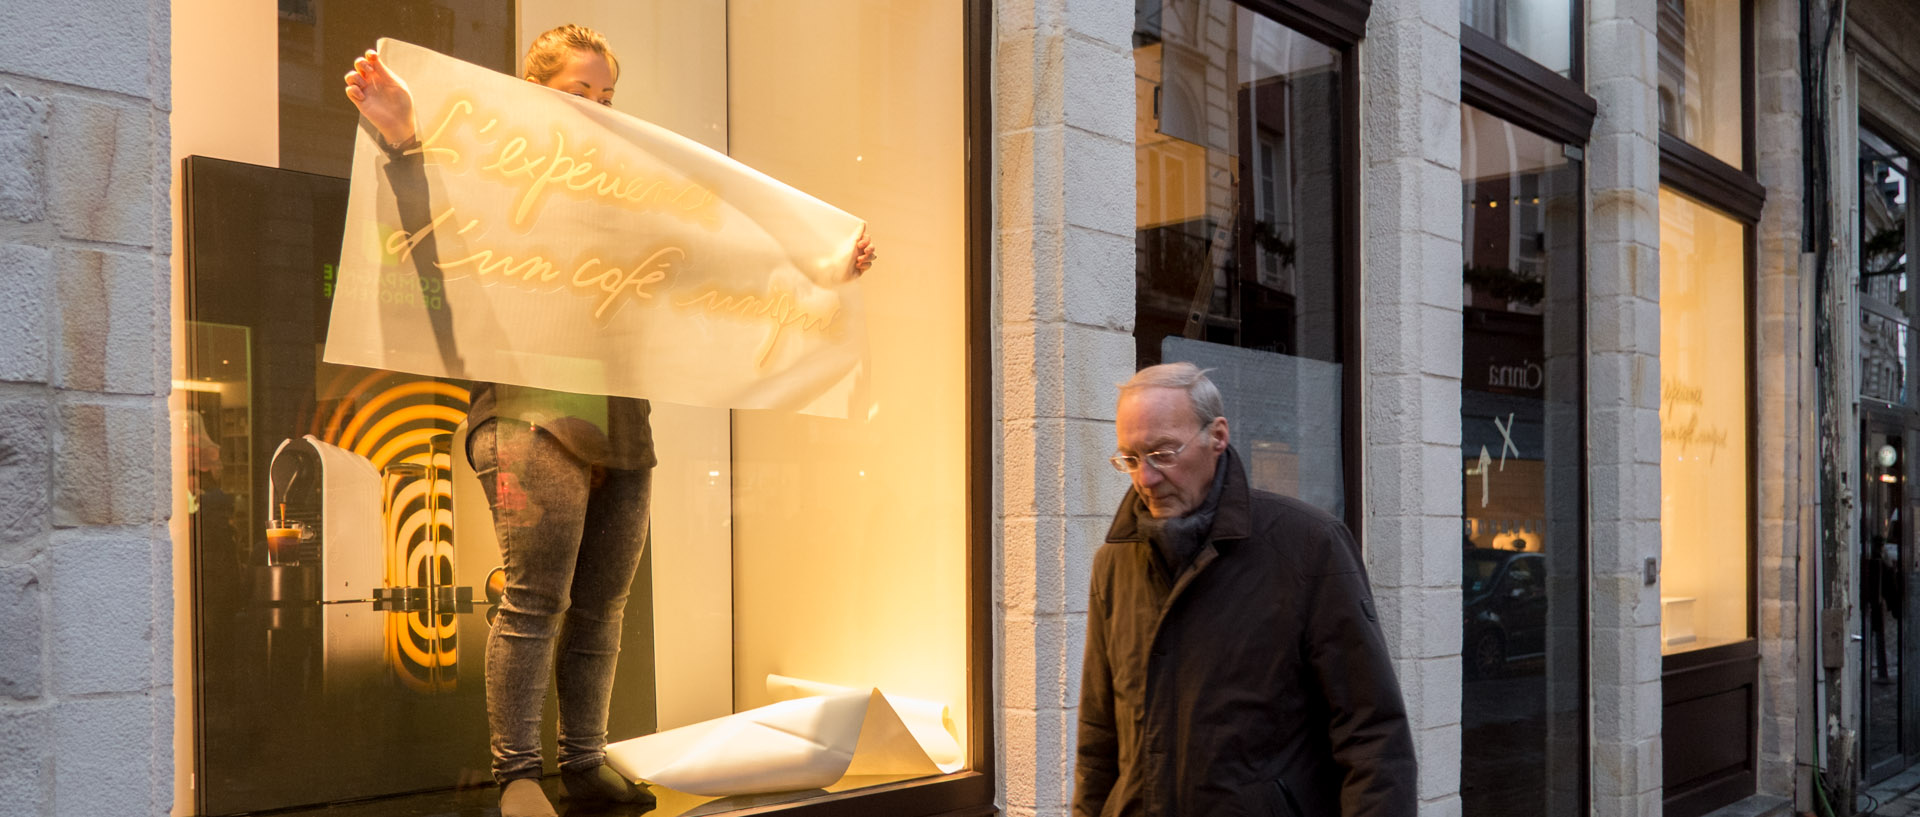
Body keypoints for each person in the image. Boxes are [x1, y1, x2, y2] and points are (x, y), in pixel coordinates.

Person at [343, 25, 876, 817]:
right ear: (532, 95)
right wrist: (404, 138)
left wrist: (814, 264)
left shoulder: (629, 192)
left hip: (622, 420)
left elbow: (711, 248)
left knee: (602, 606)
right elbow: (432, 229)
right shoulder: (499, 168)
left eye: (605, 95)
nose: (595, 108)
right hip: (525, 414)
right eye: (577, 92)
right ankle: (518, 776)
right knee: (534, 599)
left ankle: (583, 765)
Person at [1074, 362, 1416, 817]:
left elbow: (1372, 737)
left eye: (1163, 453)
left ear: (1217, 436)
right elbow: (1098, 741)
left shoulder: (1309, 547)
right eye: (1131, 459)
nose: (1145, 478)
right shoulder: (1113, 564)